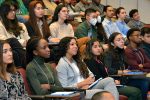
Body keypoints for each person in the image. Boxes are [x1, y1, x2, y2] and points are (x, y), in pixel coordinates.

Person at [103, 32, 148, 100]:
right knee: (138, 89)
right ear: (112, 43)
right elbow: (108, 70)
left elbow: (129, 65)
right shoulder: (108, 54)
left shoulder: (122, 51)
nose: (122, 41)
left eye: (122, 39)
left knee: (146, 81)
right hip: (116, 81)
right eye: (118, 40)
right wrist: (122, 72)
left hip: (126, 78)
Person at [0, 1, 29, 68]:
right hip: (12, 49)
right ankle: (26, 68)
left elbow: (28, 39)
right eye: (10, 11)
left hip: (25, 49)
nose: (13, 13)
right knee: (13, 41)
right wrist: (22, 42)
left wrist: (29, 42)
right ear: (4, 12)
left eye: (14, 10)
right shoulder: (1, 25)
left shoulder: (21, 25)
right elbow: (3, 41)